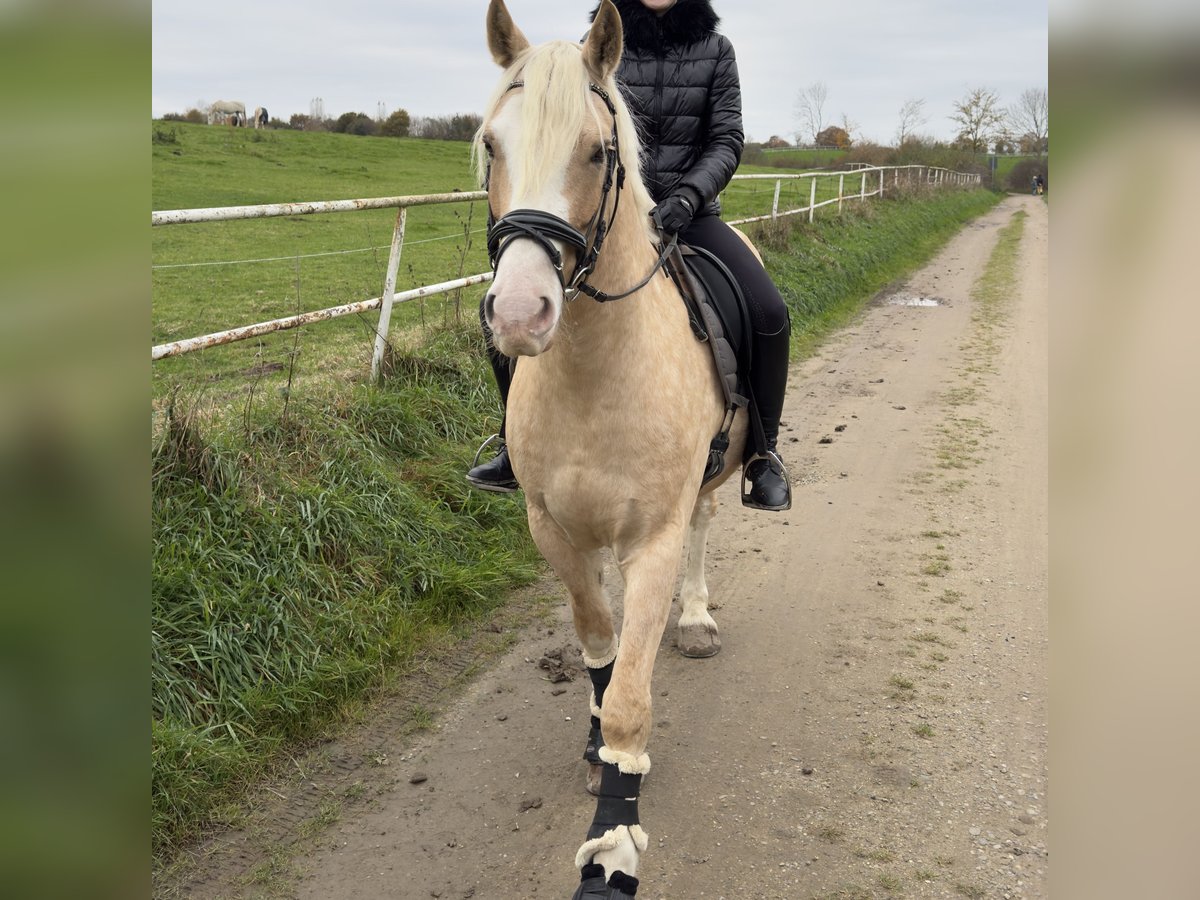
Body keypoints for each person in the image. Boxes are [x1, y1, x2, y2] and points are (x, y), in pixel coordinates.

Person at [467, 0, 793, 511]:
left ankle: (761, 453)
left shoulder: (715, 50)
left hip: (690, 215)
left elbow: (726, 139)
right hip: (610, 217)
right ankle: (514, 443)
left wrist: (688, 197)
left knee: (769, 311)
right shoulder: (589, 55)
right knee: (504, 308)